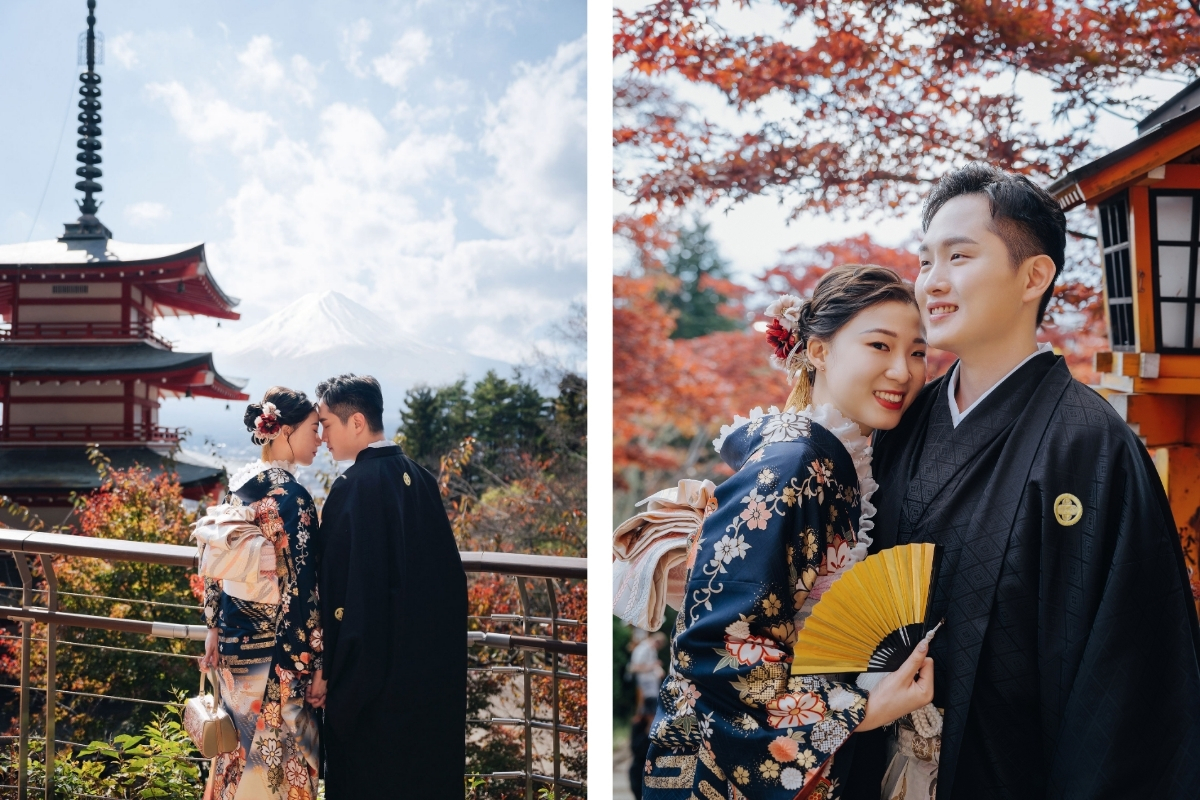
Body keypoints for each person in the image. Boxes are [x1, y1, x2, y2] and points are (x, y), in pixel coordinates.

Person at [848, 163, 1200, 800]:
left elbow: (1127, 682)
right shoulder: (902, 422)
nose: (933, 281)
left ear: (1034, 276)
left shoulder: (1091, 444)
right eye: (925, 260)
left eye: (959, 255)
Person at [642, 265, 937, 800]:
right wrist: (859, 710)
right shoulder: (795, 463)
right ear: (819, 352)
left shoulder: (847, 458)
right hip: (724, 765)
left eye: (918, 352)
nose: (902, 371)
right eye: (879, 345)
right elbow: (720, 647)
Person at [310, 373, 467, 798]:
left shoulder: (350, 490)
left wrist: (330, 674)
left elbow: (340, 594)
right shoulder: (422, 480)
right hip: (428, 681)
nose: (321, 436)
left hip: (373, 686)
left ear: (356, 422)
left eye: (325, 423)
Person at [200, 387, 324, 800]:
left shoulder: (239, 487)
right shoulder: (293, 499)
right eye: (313, 428)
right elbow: (304, 589)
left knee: (238, 751)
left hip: (235, 646)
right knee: (278, 762)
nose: (320, 437)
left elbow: (216, 566)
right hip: (276, 652)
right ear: (284, 430)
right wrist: (314, 661)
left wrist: (214, 627)